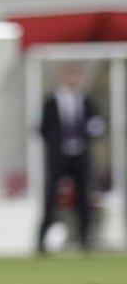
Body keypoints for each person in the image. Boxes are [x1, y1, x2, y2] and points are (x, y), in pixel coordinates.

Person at [37, 65, 106, 254]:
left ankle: (85, 242)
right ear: (63, 77)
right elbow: (42, 128)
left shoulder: (86, 102)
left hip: (81, 156)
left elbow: (98, 125)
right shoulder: (51, 102)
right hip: (58, 157)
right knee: (51, 198)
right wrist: (56, 145)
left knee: (84, 198)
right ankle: (40, 242)